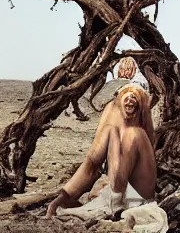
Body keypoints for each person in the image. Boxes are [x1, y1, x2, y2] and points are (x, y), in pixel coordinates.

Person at [47, 75, 157, 219]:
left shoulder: (136, 133)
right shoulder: (112, 118)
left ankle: (110, 201)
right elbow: (92, 163)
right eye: (128, 97)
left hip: (135, 199)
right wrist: (64, 196)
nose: (130, 101)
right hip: (118, 191)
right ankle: (70, 197)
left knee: (125, 133)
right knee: (109, 131)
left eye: (135, 98)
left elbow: (119, 181)